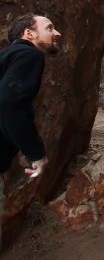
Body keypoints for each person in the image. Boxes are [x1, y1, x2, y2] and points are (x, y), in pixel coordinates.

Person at [0, 14, 59, 244]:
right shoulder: (28, 54)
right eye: (50, 28)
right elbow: (9, 104)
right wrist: (36, 153)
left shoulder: (6, 56)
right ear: (29, 33)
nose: (57, 33)